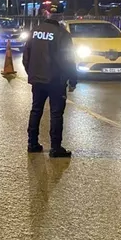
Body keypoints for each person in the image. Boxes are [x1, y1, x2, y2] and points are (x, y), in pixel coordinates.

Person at [22, 10, 77, 158]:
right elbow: (68, 59)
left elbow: (26, 55)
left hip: (37, 79)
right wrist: (73, 79)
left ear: (47, 15)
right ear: (61, 16)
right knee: (56, 114)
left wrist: (32, 72)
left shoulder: (35, 31)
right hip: (56, 80)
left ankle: (32, 144)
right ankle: (55, 148)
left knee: (36, 110)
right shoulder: (62, 34)